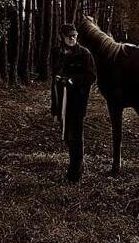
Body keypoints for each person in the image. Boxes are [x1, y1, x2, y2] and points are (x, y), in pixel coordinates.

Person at [50, 23, 96, 182]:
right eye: (69, 36)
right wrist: (54, 106)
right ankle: (76, 167)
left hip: (77, 101)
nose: (72, 38)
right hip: (61, 101)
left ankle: (74, 175)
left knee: (76, 136)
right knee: (67, 136)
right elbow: (54, 77)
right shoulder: (57, 53)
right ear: (61, 37)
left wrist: (73, 81)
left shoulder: (84, 54)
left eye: (74, 36)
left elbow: (91, 77)